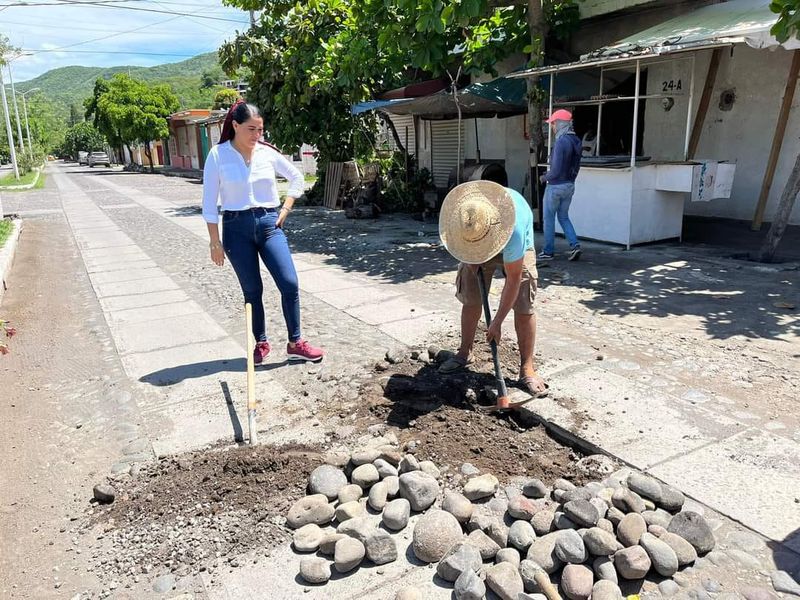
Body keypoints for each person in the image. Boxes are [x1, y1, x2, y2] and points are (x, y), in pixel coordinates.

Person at [202, 101, 324, 364]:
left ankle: (296, 341)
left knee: (289, 283)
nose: (257, 136)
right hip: (236, 228)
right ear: (235, 126)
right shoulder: (217, 155)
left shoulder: (267, 153)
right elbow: (209, 203)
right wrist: (215, 242)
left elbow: (297, 177)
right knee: (252, 290)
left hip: (270, 225)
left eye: (260, 130)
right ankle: (261, 342)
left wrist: (287, 207)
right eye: (251, 129)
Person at [437, 180, 547, 397]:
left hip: (512, 238)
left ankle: (527, 368)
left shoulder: (513, 230)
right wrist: (471, 258)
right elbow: (459, 247)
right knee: (471, 296)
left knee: (524, 304)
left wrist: (496, 323)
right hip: (477, 234)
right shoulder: (462, 219)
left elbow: (513, 279)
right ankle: (464, 352)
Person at [538, 108, 582, 262]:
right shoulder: (576, 140)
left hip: (556, 186)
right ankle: (575, 245)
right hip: (570, 185)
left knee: (548, 218)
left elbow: (555, 171)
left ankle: (548, 252)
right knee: (563, 217)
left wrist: (545, 177)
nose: (553, 126)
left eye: (554, 123)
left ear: (561, 123)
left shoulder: (561, 142)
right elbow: (576, 166)